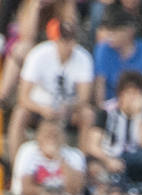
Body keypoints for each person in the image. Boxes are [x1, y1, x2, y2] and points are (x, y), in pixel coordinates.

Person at [6, 21, 94, 162]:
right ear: (56, 39)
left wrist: (69, 107)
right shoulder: (39, 54)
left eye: (70, 40)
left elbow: (84, 97)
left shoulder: (83, 58)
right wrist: (42, 109)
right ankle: (17, 164)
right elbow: (23, 96)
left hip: (68, 108)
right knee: (20, 113)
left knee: (87, 114)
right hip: (39, 107)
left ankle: (81, 165)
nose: (67, 44)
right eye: (64, 39)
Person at [82, 69, 142, 189]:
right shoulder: (106, 111)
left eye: (137, 93)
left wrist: (140, 117)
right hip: (109, 155)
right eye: (129, 93)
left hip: (135, 158)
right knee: (92, 165)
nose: (132, 98)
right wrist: (108, 160)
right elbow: (92, 145)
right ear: (120, 94)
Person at [12, 117, 87, 195]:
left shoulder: (75, 155)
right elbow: (27, 189)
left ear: (63, 137)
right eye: (47, 134)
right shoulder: (28, 152)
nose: (51, 138)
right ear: (38, 136)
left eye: (55, 135)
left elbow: (74, 189)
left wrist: (58, 158)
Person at [92, 5, 142, 106]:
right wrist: (101, 110)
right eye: (109, 32)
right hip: (110, 104)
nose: (110, 36)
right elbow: (100, 82)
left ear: (129, 31)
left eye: (115, 32)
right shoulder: (103, 49)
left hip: (138, 103)